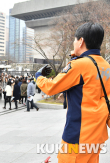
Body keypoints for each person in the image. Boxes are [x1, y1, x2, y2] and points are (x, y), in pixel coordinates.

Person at [36, 22, 109, 162]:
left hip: (77, 136)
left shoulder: (79, 65)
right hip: (97, 135)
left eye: (75, 39)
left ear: (81, 41)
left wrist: (38, 76)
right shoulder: (106, 67)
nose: (74, 43)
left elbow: (50, 87)